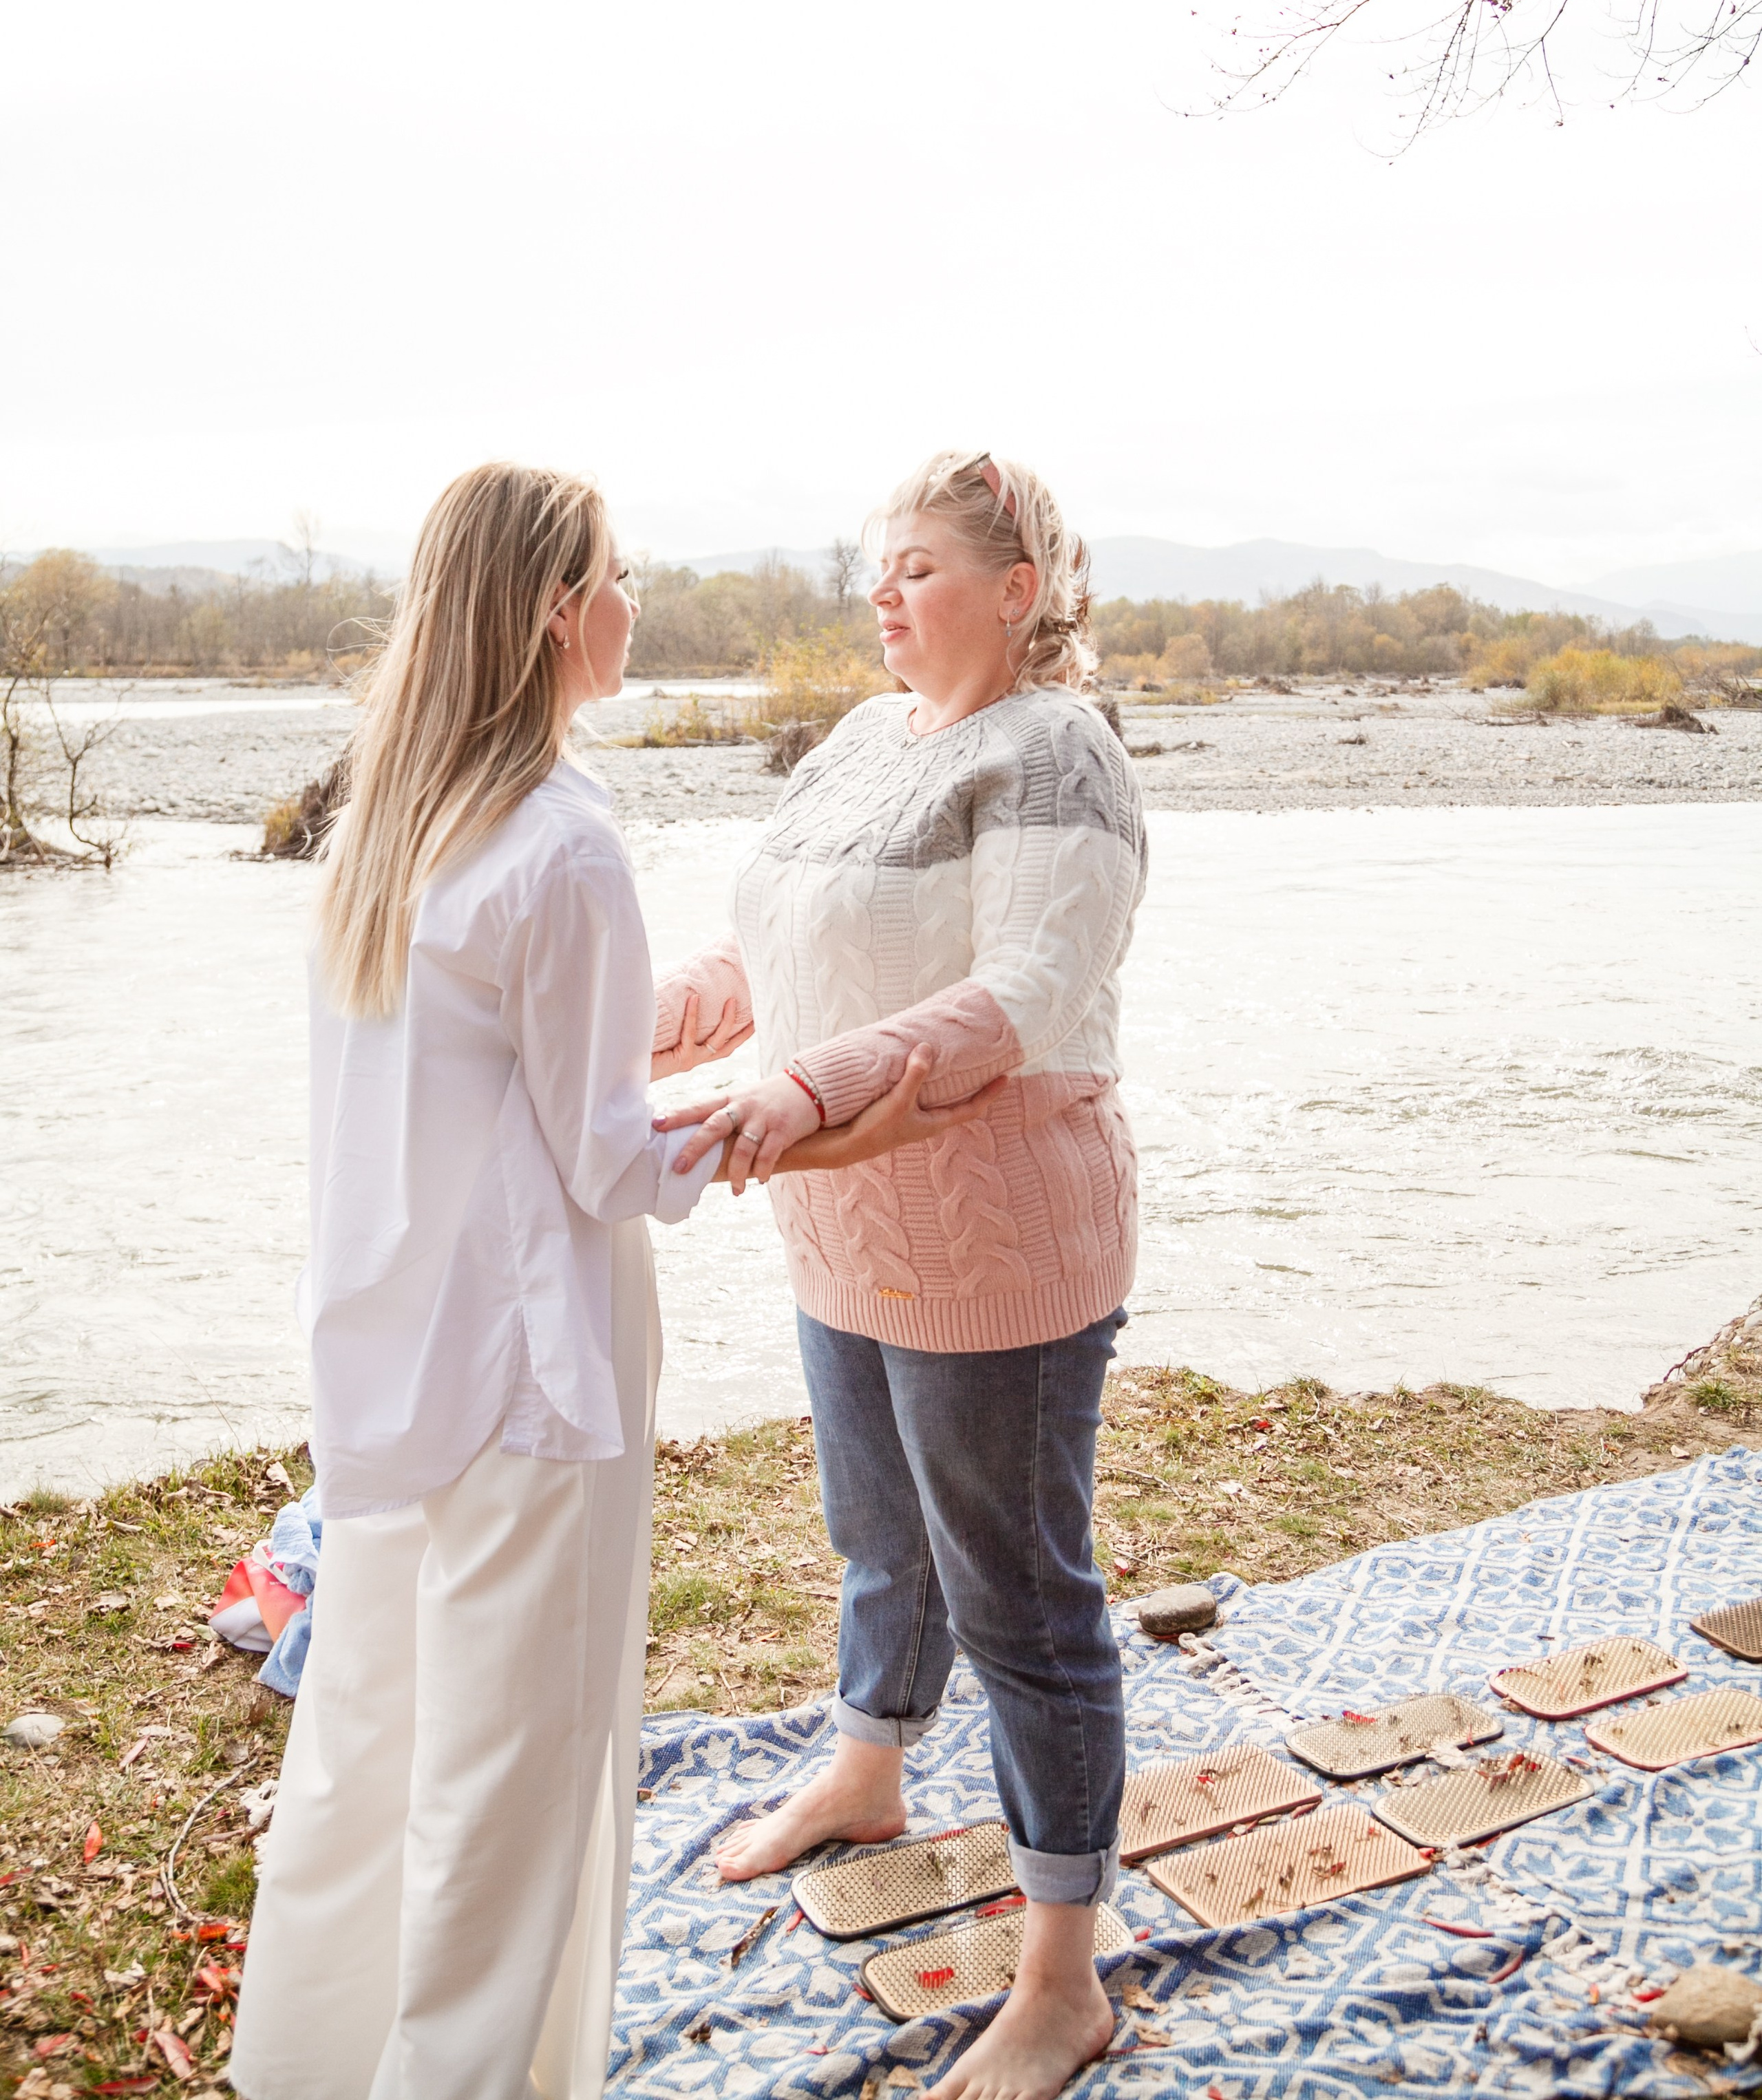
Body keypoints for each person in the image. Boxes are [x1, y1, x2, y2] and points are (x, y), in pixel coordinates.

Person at [229, 460, 992, 2100]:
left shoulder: (390, 818)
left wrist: (643, 1025)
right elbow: (601, 1166)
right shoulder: (560, 838)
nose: (637, 601)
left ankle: (303, 2065)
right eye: (619, 573)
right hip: (531, 1376)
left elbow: (461, 1091)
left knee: (371, 1747)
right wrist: (829, 1139)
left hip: (391, 1358)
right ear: (552, 610)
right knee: (517, 1795)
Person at [655, 450, 1147, 2100]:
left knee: (1021, 1600)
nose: (880, 593)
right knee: (877, 1534)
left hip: (997, 1235)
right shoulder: (868, 738)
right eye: (875, 565)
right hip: (842, 1218)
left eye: (917, 565)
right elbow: (795, 937)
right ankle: (870, 1771)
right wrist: (676, 1010)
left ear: (1015, 592)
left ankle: (1061, 1974)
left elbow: (1023, 986)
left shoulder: (1058, 751)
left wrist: (798, 1087)